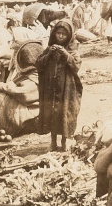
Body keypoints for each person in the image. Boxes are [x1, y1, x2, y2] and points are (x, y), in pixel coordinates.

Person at [0, 28, 44, 137]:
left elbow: (23, 94)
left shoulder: (34, 78)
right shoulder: (38, 73)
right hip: (36, 111)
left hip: (35, 116)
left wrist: (1, 87)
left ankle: (11, 127)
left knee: (1, 98)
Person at [38, 19, 84, 151]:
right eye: (58, 33)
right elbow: (39, 64)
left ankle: (64, 142)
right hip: (50, 88)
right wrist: (49, 55)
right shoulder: (49, 49)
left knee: (64, 113)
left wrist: (65, 54)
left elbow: (76, 66)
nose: (60, 36)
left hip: (67, 88)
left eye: (64, 34)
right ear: (54, 34)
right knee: (51, 112)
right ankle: (53, 142)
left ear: (69, 36)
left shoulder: (73, 51)